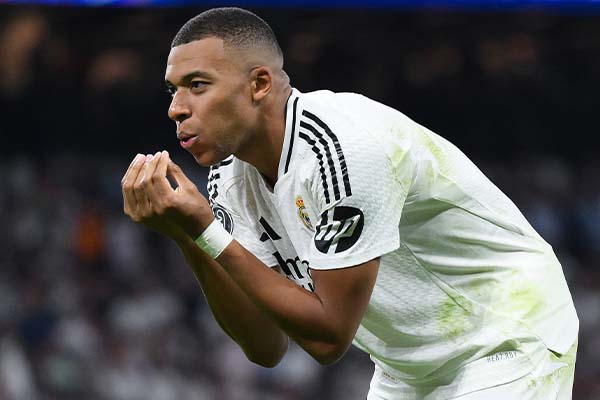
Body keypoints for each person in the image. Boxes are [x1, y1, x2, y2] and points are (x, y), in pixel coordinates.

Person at [121, 7, 578, 400]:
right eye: (173, 90)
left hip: (504, 335)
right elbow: (265, 346)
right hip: (407, 369)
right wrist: (191, 236)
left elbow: (328, 338)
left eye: (197, 85)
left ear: (259, 84)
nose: (176, 108)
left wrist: (205, 228)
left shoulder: (343, 149)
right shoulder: (230, 177)